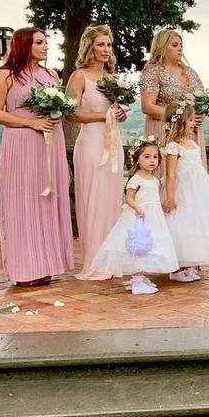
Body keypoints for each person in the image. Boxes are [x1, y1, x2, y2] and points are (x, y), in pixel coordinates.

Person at [0, 28, 74, 286]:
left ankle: (46, 264)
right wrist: (30, 124)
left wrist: (57, 115)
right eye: (39, 42)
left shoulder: (51, 76)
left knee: (48, 200)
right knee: (23, 200)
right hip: (21, 142)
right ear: (24, 45)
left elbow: (64, 111)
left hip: (50, 141)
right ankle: (24, 268)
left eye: (46, 42)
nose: (45, 47)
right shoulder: (4, 75)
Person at [66, 25, 127, 280]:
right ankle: (94, 262)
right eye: (101, 44)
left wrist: (121, 113)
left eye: (109, 45)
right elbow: (69, 114)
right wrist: (104, 115)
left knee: (112, 203)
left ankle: (111, 260)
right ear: (89, 47)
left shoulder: (114, 79)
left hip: (113, 145)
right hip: (90, 146)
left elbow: (116, 112)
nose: (106, 49)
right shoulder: (79, 77)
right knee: (92, 201)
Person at [90, 137, 180, 294]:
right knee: (138, 246)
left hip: (153, 217)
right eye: (147, 157)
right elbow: (129, 197)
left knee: (149, 246)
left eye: (155, 157)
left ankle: (142, 276)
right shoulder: (136, 179)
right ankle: (137, 280)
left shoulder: (154, 179)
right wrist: (137, 207)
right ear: (137, 159)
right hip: (139, 217)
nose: (152, 161)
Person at [162, 101, 209, 282]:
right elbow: (171, 174)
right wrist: (170, 198)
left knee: (195, 226)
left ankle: (189, 265)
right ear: (180, 122)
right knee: (180, 226)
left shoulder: (192, 143)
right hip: (183, 191)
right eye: (189, 120)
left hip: (198, 190)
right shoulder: (173, 145)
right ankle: (177, 268)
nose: (193, 122)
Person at [140, 30, 208, 176]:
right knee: (168, 175)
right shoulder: (153, 71)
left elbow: (202, 103)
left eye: (181, 45)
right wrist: (178, 116)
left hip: (191, 134)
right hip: (164, 130)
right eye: (175, 45)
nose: (180, 48)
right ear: (162, 46)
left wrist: (201, 115)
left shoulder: (191, 72)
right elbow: (147, 106)